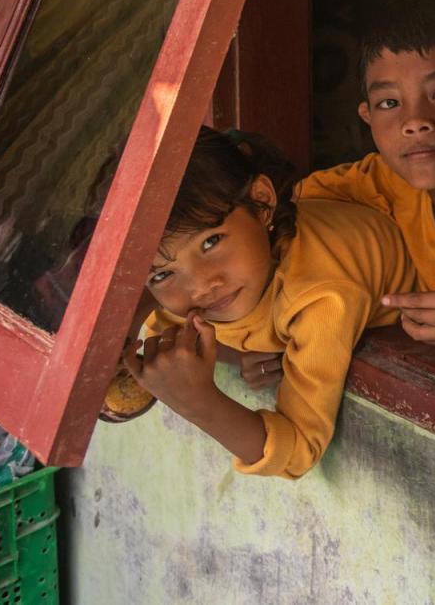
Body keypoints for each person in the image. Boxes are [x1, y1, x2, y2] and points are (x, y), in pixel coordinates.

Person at [126, 128, 416, 479]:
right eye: (161, 275)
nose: (202, 286)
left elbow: (299, 449)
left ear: (262, 203)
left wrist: (198, 403)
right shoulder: (210, 289)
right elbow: (165, 326)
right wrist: (235, 355)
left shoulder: (322, 297)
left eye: (211, 242)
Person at [295, 0, 435, 346]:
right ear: (367, 117)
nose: (415, 122)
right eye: (389, 103)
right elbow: (262, 222)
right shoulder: (383, 182)